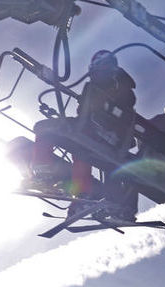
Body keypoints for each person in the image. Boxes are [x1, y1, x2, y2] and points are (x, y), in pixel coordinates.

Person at [29, 49, 137, 198]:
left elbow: (90, 113)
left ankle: (43, 174)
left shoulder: (114, 86)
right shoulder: (113, 87)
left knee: (44, 128)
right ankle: (82, 193)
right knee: (81, 150)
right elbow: (86, 113)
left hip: (97, 131)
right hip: (98, 133)